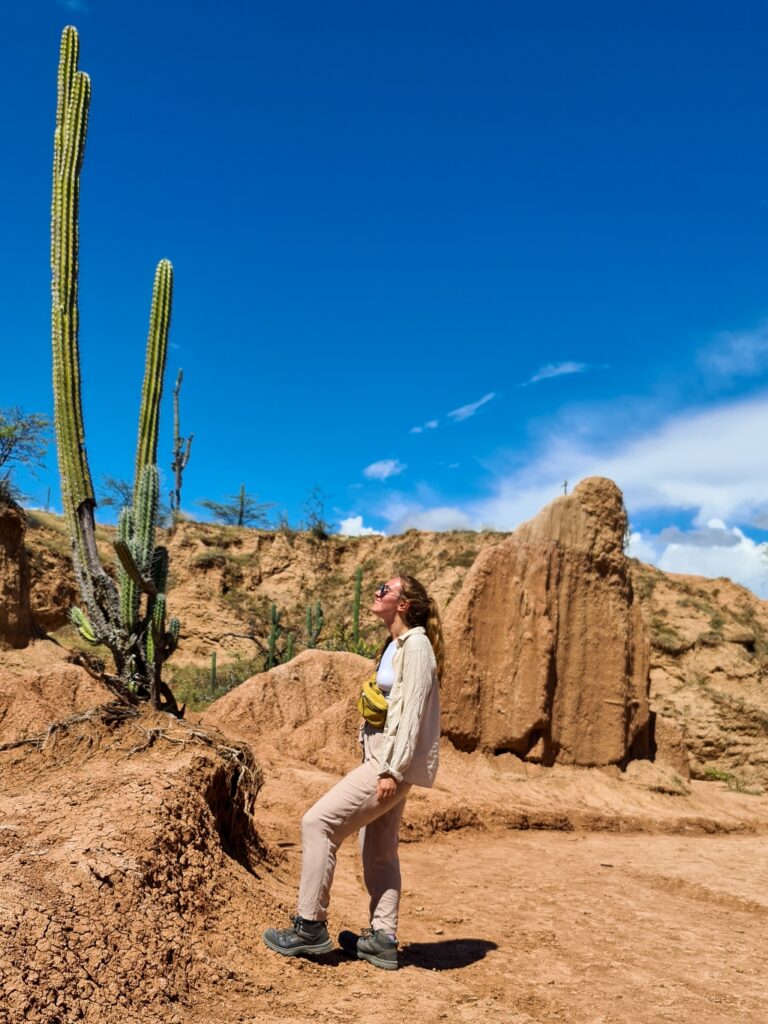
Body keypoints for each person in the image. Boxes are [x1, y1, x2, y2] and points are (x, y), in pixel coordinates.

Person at [263, 574, 444, 971]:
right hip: (383, 757)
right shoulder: (397, 645)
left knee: (318, 823)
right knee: (377, 849)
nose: (377, 592)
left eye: (386, 589)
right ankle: (383, 939)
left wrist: (391, 769)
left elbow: (411, 711)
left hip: (390, 762)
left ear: (403, 604)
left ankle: (309, 925)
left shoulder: (416, 645)